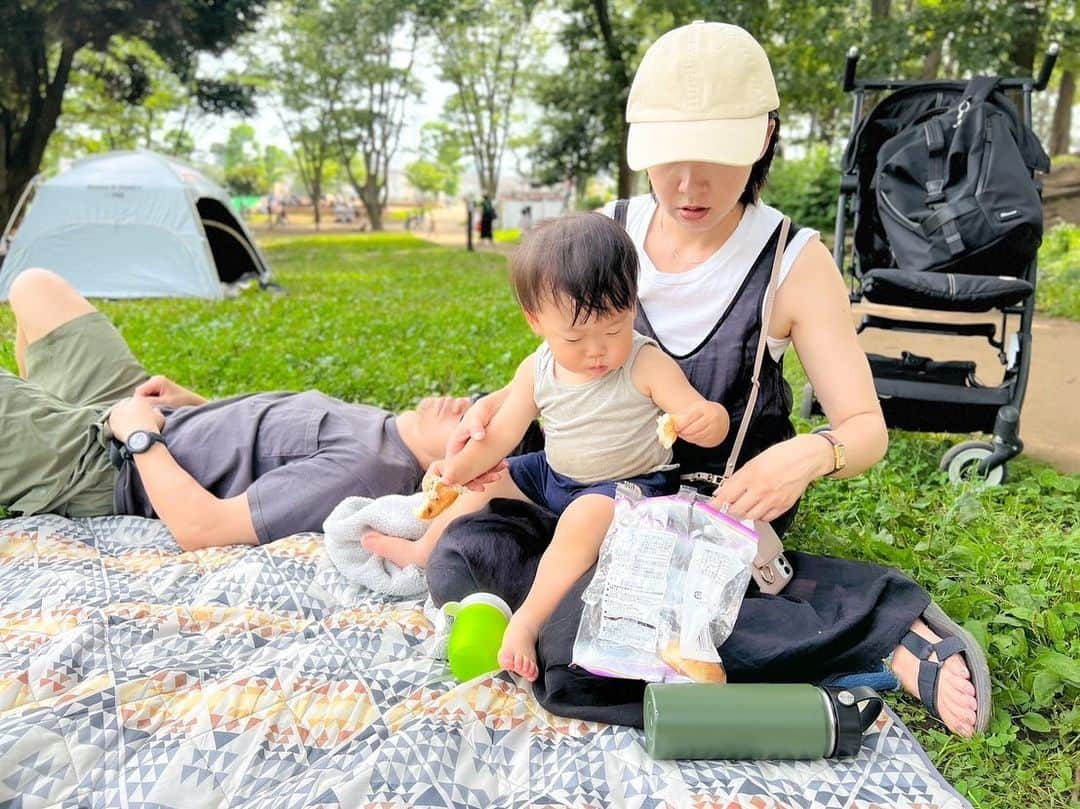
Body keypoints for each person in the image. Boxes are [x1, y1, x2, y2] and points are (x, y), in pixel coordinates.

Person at [424, 21, 987, 738]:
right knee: (467, 545)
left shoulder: (791, 259)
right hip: (588, 487)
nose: (689, 187)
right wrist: (492, 411)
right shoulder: (610, 230)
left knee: (577, 646)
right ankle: (724, 639)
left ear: (761, 140)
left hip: (715, 504)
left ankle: (886, 627)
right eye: (669, 160)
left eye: (715, 159)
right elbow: (558, 364)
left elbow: (865, 429)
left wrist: (814, 452)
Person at [363, 213, 729, 679]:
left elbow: (705, 418)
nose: (597, 350)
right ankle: (423, 551)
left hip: (629, 488)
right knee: (489, 481)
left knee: (582, 519)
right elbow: (501, 436)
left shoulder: (645, 363)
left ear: (632, 307)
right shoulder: (536, 370)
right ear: (536, 321)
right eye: (575, 337)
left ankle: (528, 621)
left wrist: (708, 420)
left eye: (613, 329)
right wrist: (456, 472)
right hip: (555, 475)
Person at [0, 268, 476, 552]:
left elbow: (203, 529)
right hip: (145, 411)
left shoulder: (366, 471)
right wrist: (197, 405)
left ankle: (39, 457)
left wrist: (140, 438)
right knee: (34, 286)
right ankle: (37, 432)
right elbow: (269, 445)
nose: (462, 403)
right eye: (476, 403)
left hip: (105, 463)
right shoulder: (384, 426)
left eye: (469, 425)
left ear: (446, 476)